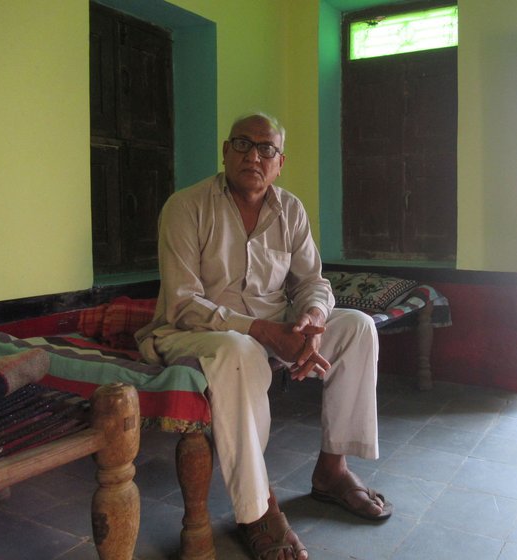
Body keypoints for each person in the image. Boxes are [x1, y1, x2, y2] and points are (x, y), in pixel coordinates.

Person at [136, 112, 392, 560]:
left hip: (272, 329)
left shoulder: (289, 209)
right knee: (240, 351)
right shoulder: (186, 206)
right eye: (242, 144)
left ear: (280, 162)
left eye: (266, 149)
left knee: (357, 327)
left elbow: (312, 281)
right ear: (225, 152)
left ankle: (332, 470)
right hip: (194, 332)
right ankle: (257, 509)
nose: (253, 155)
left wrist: (312, 318)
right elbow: (182, 302)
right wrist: (262, 331)